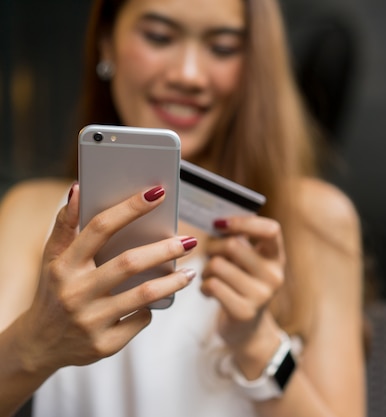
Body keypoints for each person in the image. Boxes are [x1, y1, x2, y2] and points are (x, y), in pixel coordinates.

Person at [0, 0, 366, 416]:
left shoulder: (315, 219)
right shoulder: (34, 214)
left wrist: (257, 342)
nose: (188, 74)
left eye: (223, 47)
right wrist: (37, 342)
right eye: (158, 37)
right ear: (106, 44)